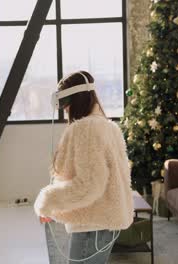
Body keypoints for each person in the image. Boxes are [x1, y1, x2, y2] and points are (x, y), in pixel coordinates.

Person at [34, 71, 134, 264]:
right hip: (103, 223)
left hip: (92, 226)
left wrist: (47, 201)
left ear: (72, 100)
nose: (64, 109)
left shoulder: (86, 129)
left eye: (65, 103)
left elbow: (89, 185)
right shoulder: (107, 126)